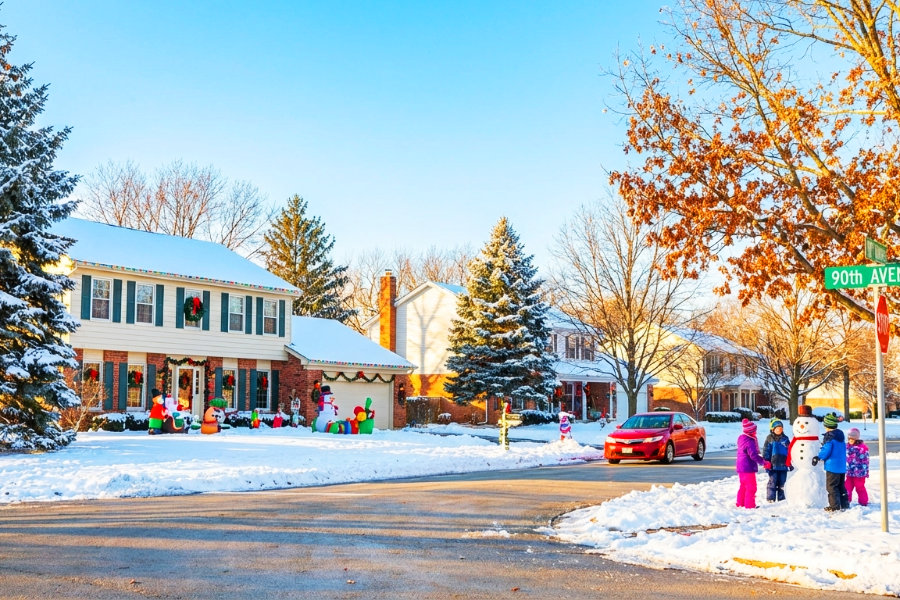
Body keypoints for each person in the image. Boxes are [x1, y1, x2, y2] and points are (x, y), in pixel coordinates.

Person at [813, 413, 849, 511]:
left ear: (827, 425)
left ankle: (834, 506)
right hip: (841, 466)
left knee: (831, 487)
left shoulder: (830, 436)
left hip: (832, 466)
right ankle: (844, 504)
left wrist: (818, 457)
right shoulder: (840, 435)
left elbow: (826, 449)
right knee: (841, 486)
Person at [736, 419, 766, 509]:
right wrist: (763, 462)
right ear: (751, 432)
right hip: (748, 467)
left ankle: (740, 503)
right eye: (755, 431)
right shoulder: (750, 441)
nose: (756, 432)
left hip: (741, 467)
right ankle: (750, 505)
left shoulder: (742, 438)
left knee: (743, 486)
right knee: (751, 487)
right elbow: (753, 455)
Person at [762, 419, 791, 502]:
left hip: (783, 465)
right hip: (773, 465)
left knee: (782, 483)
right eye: (777, 428)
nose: (779, 430)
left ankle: (782, 498)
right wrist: (766, 462)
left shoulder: (785, 439)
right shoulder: (769, 439)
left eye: (781, 428)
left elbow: (789, 451)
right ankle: (771, 498)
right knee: (772, 482)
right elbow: (766, 451)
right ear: (772, 429)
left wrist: (790, 463)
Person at [845, 427, 870, 507]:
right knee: (847, 486)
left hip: (859, 473)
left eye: (852, 439)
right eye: (849, 439)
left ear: (856, 439)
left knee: (859, 487)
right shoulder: (847, 446)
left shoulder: (862, 448)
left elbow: (865, 461)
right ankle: (846, 500)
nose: (850, 440)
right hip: (850, 471)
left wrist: (863, 471)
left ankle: (863, 501)